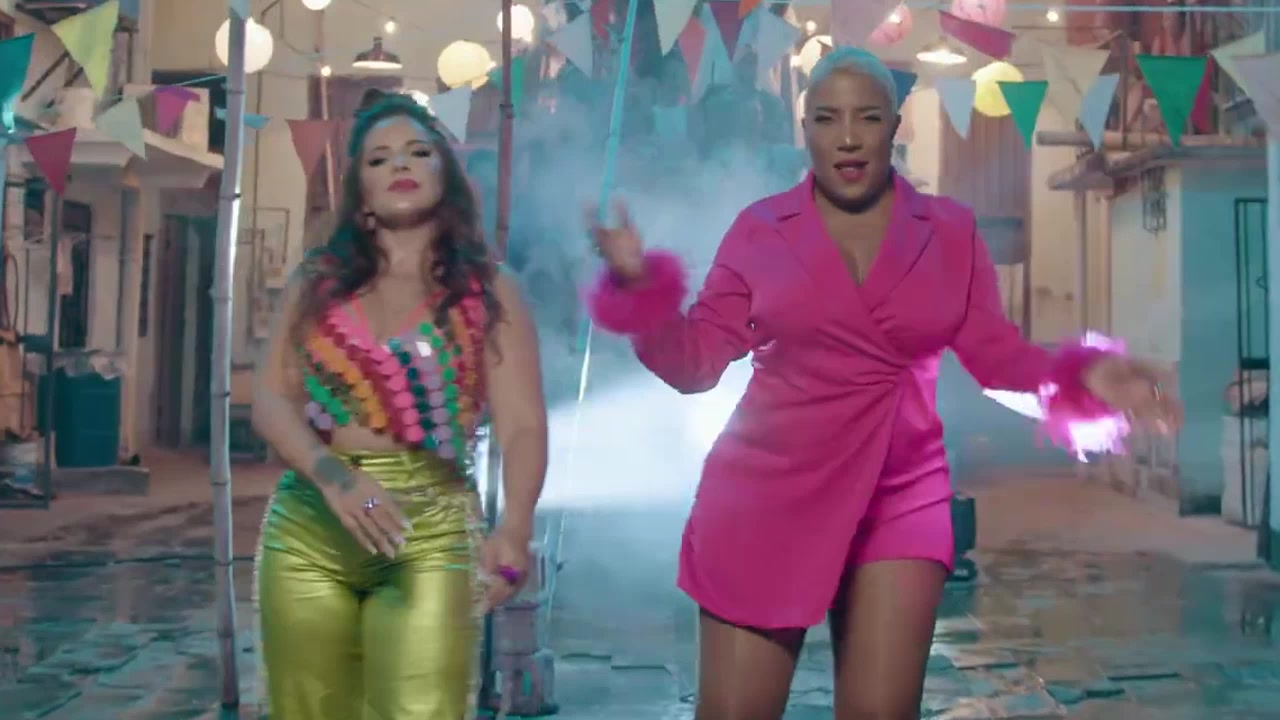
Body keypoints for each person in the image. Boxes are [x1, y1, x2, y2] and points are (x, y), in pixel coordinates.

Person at [585, 47, 1181, 720]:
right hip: (767, 493)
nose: (847, 137)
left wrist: (1085, 376)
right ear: (804, 128)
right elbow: (694, 364)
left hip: (902, 494)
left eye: (867, 117)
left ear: (895, 126)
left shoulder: (950, 232)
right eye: (827, 118)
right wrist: (638, 289)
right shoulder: (760, 231)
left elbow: (998, 359)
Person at [252, 89, 548, 720]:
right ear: (360, 189)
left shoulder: (489, 290)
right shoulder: (316, 283)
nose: (400, 165)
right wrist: (334, 478)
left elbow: (522, 425)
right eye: (379, 159)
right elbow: (271, 400)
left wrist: (515, 530)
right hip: (310, 525)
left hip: (431, 533)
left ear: (446, 174)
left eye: (417, 152)